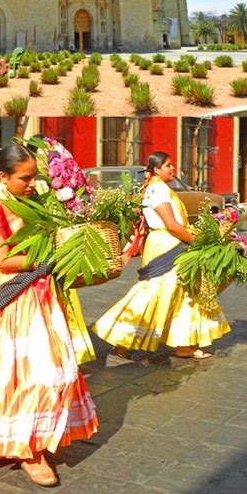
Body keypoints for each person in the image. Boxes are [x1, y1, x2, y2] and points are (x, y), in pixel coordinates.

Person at [0, 141, 98, 486]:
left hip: (39, 292)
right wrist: (50, 259)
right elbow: (2, 259)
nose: (32, 183)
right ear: (3, 175)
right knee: (23, 371)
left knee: (43, 368)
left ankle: (23, 437)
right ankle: (28, 450)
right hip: (14, 297)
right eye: (24, 178)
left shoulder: (24, 200)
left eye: (35, 177)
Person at [93, 151, 230, 360]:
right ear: (156, 169)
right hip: (167, 244)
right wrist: (196, 241)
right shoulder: (157, 190)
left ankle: (183, 345)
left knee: (181, 293)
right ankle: (119, 334)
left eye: (172, 165)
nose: (172, 169)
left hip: (167, 242)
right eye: (168, 165)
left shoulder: (158, 188)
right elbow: (171, 224)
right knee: (156, 292)